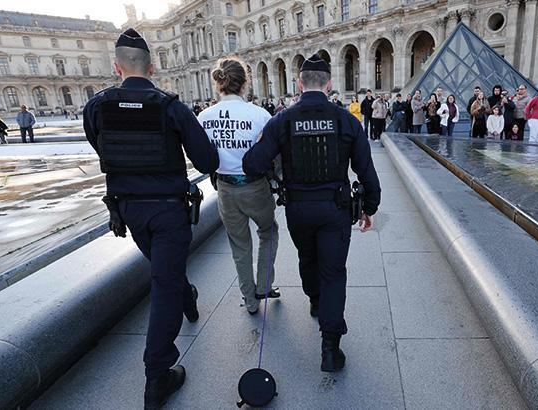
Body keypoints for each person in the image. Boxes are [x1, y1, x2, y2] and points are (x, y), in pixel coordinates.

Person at [82, 29, 219, 408]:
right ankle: (157, 376)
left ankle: (187, 295)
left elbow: (100, 146)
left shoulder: (97, 106)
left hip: (128, 209)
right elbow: (208, 161)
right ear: (153, 67)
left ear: (117, 68)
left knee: (165, 272)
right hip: (168, 208)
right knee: (163, 284)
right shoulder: (170, 105)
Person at [242, 53, 381, 373]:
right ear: (329, 83)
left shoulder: (282, 120)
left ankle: (315, 300)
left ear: (299, 83)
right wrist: (370, 207)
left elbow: (253, 164)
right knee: (334, 271)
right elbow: (366, 169)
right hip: (335, 209)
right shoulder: (347, 120)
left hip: (298, 208)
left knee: (308, 258)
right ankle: (330, 348)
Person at [197, 58, 279, 316]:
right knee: (269, 231)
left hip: (224, 188)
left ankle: (250, 299)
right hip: (254, 186)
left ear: (219, 84)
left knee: (239, 246)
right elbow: (272, 155)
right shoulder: (259, 114)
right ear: (245, 83)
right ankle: (263, 285)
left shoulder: (204, 117)